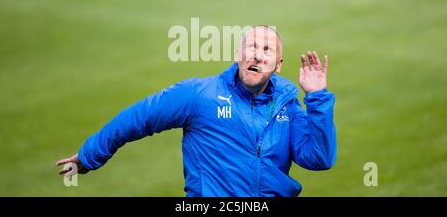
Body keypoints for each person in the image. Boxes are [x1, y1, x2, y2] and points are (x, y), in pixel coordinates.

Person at [56, 25, 336, 196]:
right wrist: (89, 156)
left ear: (278, 65)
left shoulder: (287, 105)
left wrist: (318, 99)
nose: (257, 54)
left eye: (266, 50)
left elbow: (318, 158)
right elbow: (139, 117)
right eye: (251, 46)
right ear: (238, 55)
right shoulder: (201, 95)